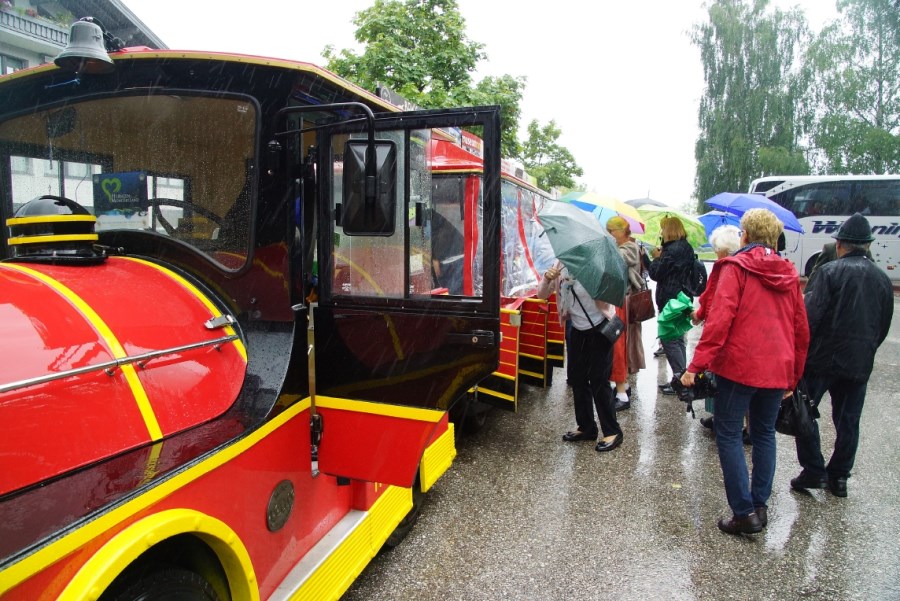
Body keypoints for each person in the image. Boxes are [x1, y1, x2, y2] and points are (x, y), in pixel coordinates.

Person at [680, 209, 809, 535]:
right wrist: (793, 375)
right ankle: (759, 504)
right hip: (776, 367)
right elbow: (800, 329)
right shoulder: (789, 274)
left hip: (740, 365)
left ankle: (743, 512)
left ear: (746, 235)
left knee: (728, 432)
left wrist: (696, 365)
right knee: (764, 433)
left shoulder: (735, 268)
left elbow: (720, 320)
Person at [790, 213, 893, 498]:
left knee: (804, 412)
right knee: (848, 420)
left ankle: (813, 469)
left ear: (839, 245)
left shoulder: (829, 272)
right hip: (858, 361)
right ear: (868, 245)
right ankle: (839, 476)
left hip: (821, 359)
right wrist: (866, 349)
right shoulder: (882, 279)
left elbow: (809, 318)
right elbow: (883, 325)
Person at [538, 261, 624, 453]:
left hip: (599, 328)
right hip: (577, 329)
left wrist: (590, 276)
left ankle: (613, 431)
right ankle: (586, 427)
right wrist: (547, 279)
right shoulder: (559, 265)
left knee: (599, 380)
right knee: (578, 379)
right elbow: (541, 295)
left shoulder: (596, 264)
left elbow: (612, 294)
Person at [690, 224, 743, 436]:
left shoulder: (725, 268)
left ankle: (724, 421)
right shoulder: (746, 266)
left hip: (725, 335)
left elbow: (712, 300)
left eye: (716, 249)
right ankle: (741, 424)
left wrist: (700, 315)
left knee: (722, 380)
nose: (715, 253)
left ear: (723, 249)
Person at [648, 216, 696, 395]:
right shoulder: (686, 247)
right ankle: (681, 377)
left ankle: (680, 380)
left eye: (663, 229)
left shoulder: (670, 251)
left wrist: (655, 258)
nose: (661, 232)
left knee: (669, 340)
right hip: (683, 298)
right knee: (678, 339)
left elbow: (656, 274)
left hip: (670, 300)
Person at [606, 216, 646, 410]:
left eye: (611, 231)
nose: (609, 234)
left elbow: (613, 261)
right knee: (621, 345)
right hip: (623, 302)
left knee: (618, 346)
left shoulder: (628, 248)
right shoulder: (628, 247)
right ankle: (624, 386)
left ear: (621, 231)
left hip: (623, 302)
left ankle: (622, 393)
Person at [431, 210, 465, 295]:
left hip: (451, 259)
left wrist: (435, 257)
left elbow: (443, 235)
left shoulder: (434, 218)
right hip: (452, 257)